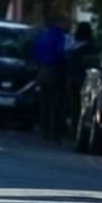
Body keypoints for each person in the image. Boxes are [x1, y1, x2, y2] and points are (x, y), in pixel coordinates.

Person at [32, 14, 70, 143]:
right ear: (61, 23)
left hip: (42, 70)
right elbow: (62, 52)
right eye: (67, 23)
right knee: (56, 103)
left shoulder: (44, 35)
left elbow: (35, 50)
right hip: (55, 71)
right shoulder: (60, 36)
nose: (68, 26)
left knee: (44, 103)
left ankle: (44, 131)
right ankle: (54, 133)